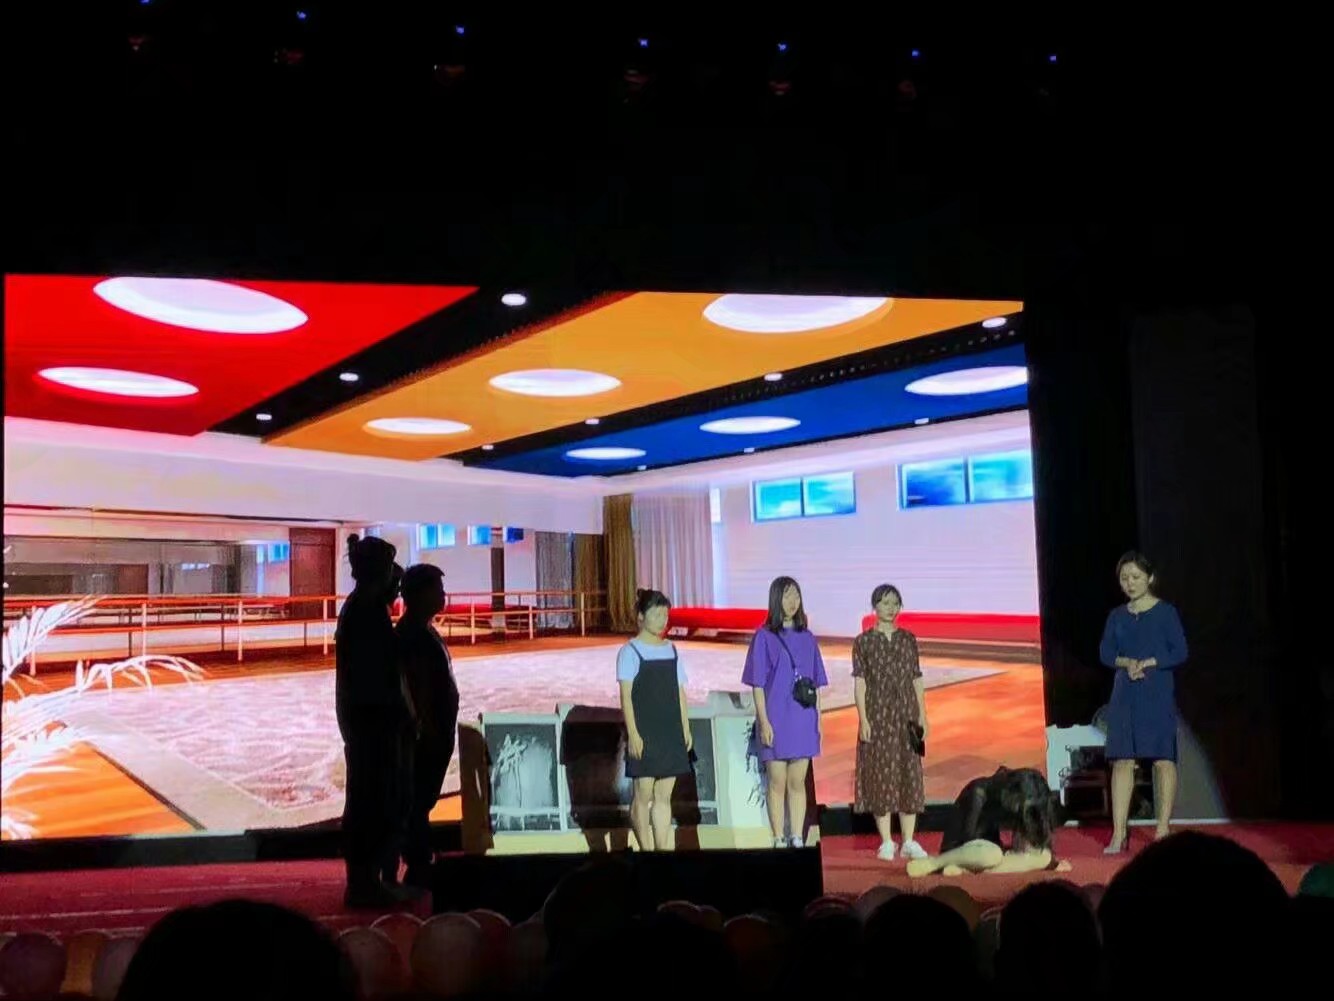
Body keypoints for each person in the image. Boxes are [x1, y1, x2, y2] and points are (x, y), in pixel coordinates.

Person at [335, 534, 414, 907]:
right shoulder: (365, 611)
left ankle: (368, 879)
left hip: (367, 719)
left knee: (373, 797)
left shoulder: (364, 606)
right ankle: (363, 884)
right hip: (371, 720)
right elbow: (378, 676)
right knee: (370, 800)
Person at [1098, 551, 1188, 853]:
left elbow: (1180, 651)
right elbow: (1105, 652)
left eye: (1136, 577)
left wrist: (1150, 662)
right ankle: (1118, 834)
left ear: (1150, 578)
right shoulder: (1117, 615)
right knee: (1122, 760)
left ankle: (1162, 829)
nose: (1130, 583)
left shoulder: (1166, 612)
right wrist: (1126, 662)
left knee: (1163, 759)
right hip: (1125, 693)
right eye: (1124, 578)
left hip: (1156, 691)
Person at [742, 576, 829, 848]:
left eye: (796, 596)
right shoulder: (764, 637)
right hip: (776, 718)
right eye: (787, 595)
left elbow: (816, 682)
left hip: (802, 718)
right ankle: (778, 837)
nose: (793, 602)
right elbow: (757, 684)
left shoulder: (808, 638)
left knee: (797, 782)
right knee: (776, 782)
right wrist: (764, 721)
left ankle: (797, 837)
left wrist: (818, 720)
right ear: (775, 599)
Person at [394, 563, 459, 888]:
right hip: (425, 735)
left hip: (435, 731)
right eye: (437, 590)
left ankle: (419, 858)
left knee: (422, 799)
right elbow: (415, 689)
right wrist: (426, 728)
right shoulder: (411, 635)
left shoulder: (423, 630)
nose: (443, 596)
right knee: (417, 799)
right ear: (419, 595)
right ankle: (417, 863)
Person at [852, 583, 928, 861]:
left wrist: (922, 715)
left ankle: (908, 840)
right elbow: (860, 683)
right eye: (885, 603)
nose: (891, 608)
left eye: (895, 603)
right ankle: (886, 841)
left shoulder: (908, 639)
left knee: (910, 773)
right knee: (880, 774)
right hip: (878, 714)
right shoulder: (863, 642)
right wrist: (863, 718)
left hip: (907, 714)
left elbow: (916, 678)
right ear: (875, 606)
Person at [618, 588, 692, 851]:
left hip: (670, 731)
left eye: (665, 615)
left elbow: (679, 693)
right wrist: (633, 734)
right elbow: (626, 697)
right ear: (641, 616)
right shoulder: (630, 651)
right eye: (657, 614)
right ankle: (646, 851)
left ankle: (662, 850)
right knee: (643, 794)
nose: (663, 620)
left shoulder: (672, 650)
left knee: (663, 797)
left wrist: (685, 728)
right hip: (645, 732)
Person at [905, 769, 1071, 877]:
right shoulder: (979, 793)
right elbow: (969, 840)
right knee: (991, 855)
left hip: (994, 852)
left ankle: (970, 871)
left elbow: (1035, 837)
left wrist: (1047, 859)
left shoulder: (1022, 800)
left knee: (1043, 855)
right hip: (966, 850)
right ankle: (934, 863)